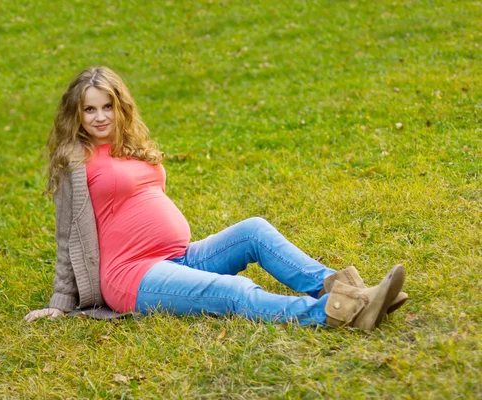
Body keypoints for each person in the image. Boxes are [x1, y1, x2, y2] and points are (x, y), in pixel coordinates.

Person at [24, 66, 408, 331]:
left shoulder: (129, 146)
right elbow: (66, 237)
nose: (100, 116)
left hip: (179, 257)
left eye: (107, 106)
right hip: (133, 277)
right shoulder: (77, 162)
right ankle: (339, 313)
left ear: (121, 106)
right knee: (236, 293)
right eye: (89, 109)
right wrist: (60, 303)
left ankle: (350, 291)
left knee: (254, 231)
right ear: (76, 114)